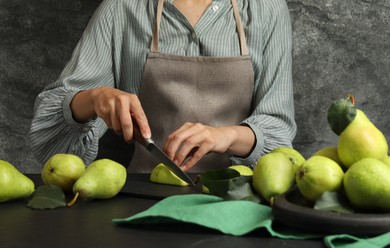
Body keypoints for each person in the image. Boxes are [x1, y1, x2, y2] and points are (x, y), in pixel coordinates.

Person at [29, 0, 296, 174]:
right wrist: (94, 99)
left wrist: (225, 136)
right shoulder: (122, 8)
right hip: (145, 194)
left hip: (237, 200)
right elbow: (50, 144)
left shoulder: (266, 8)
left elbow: (279, 134)